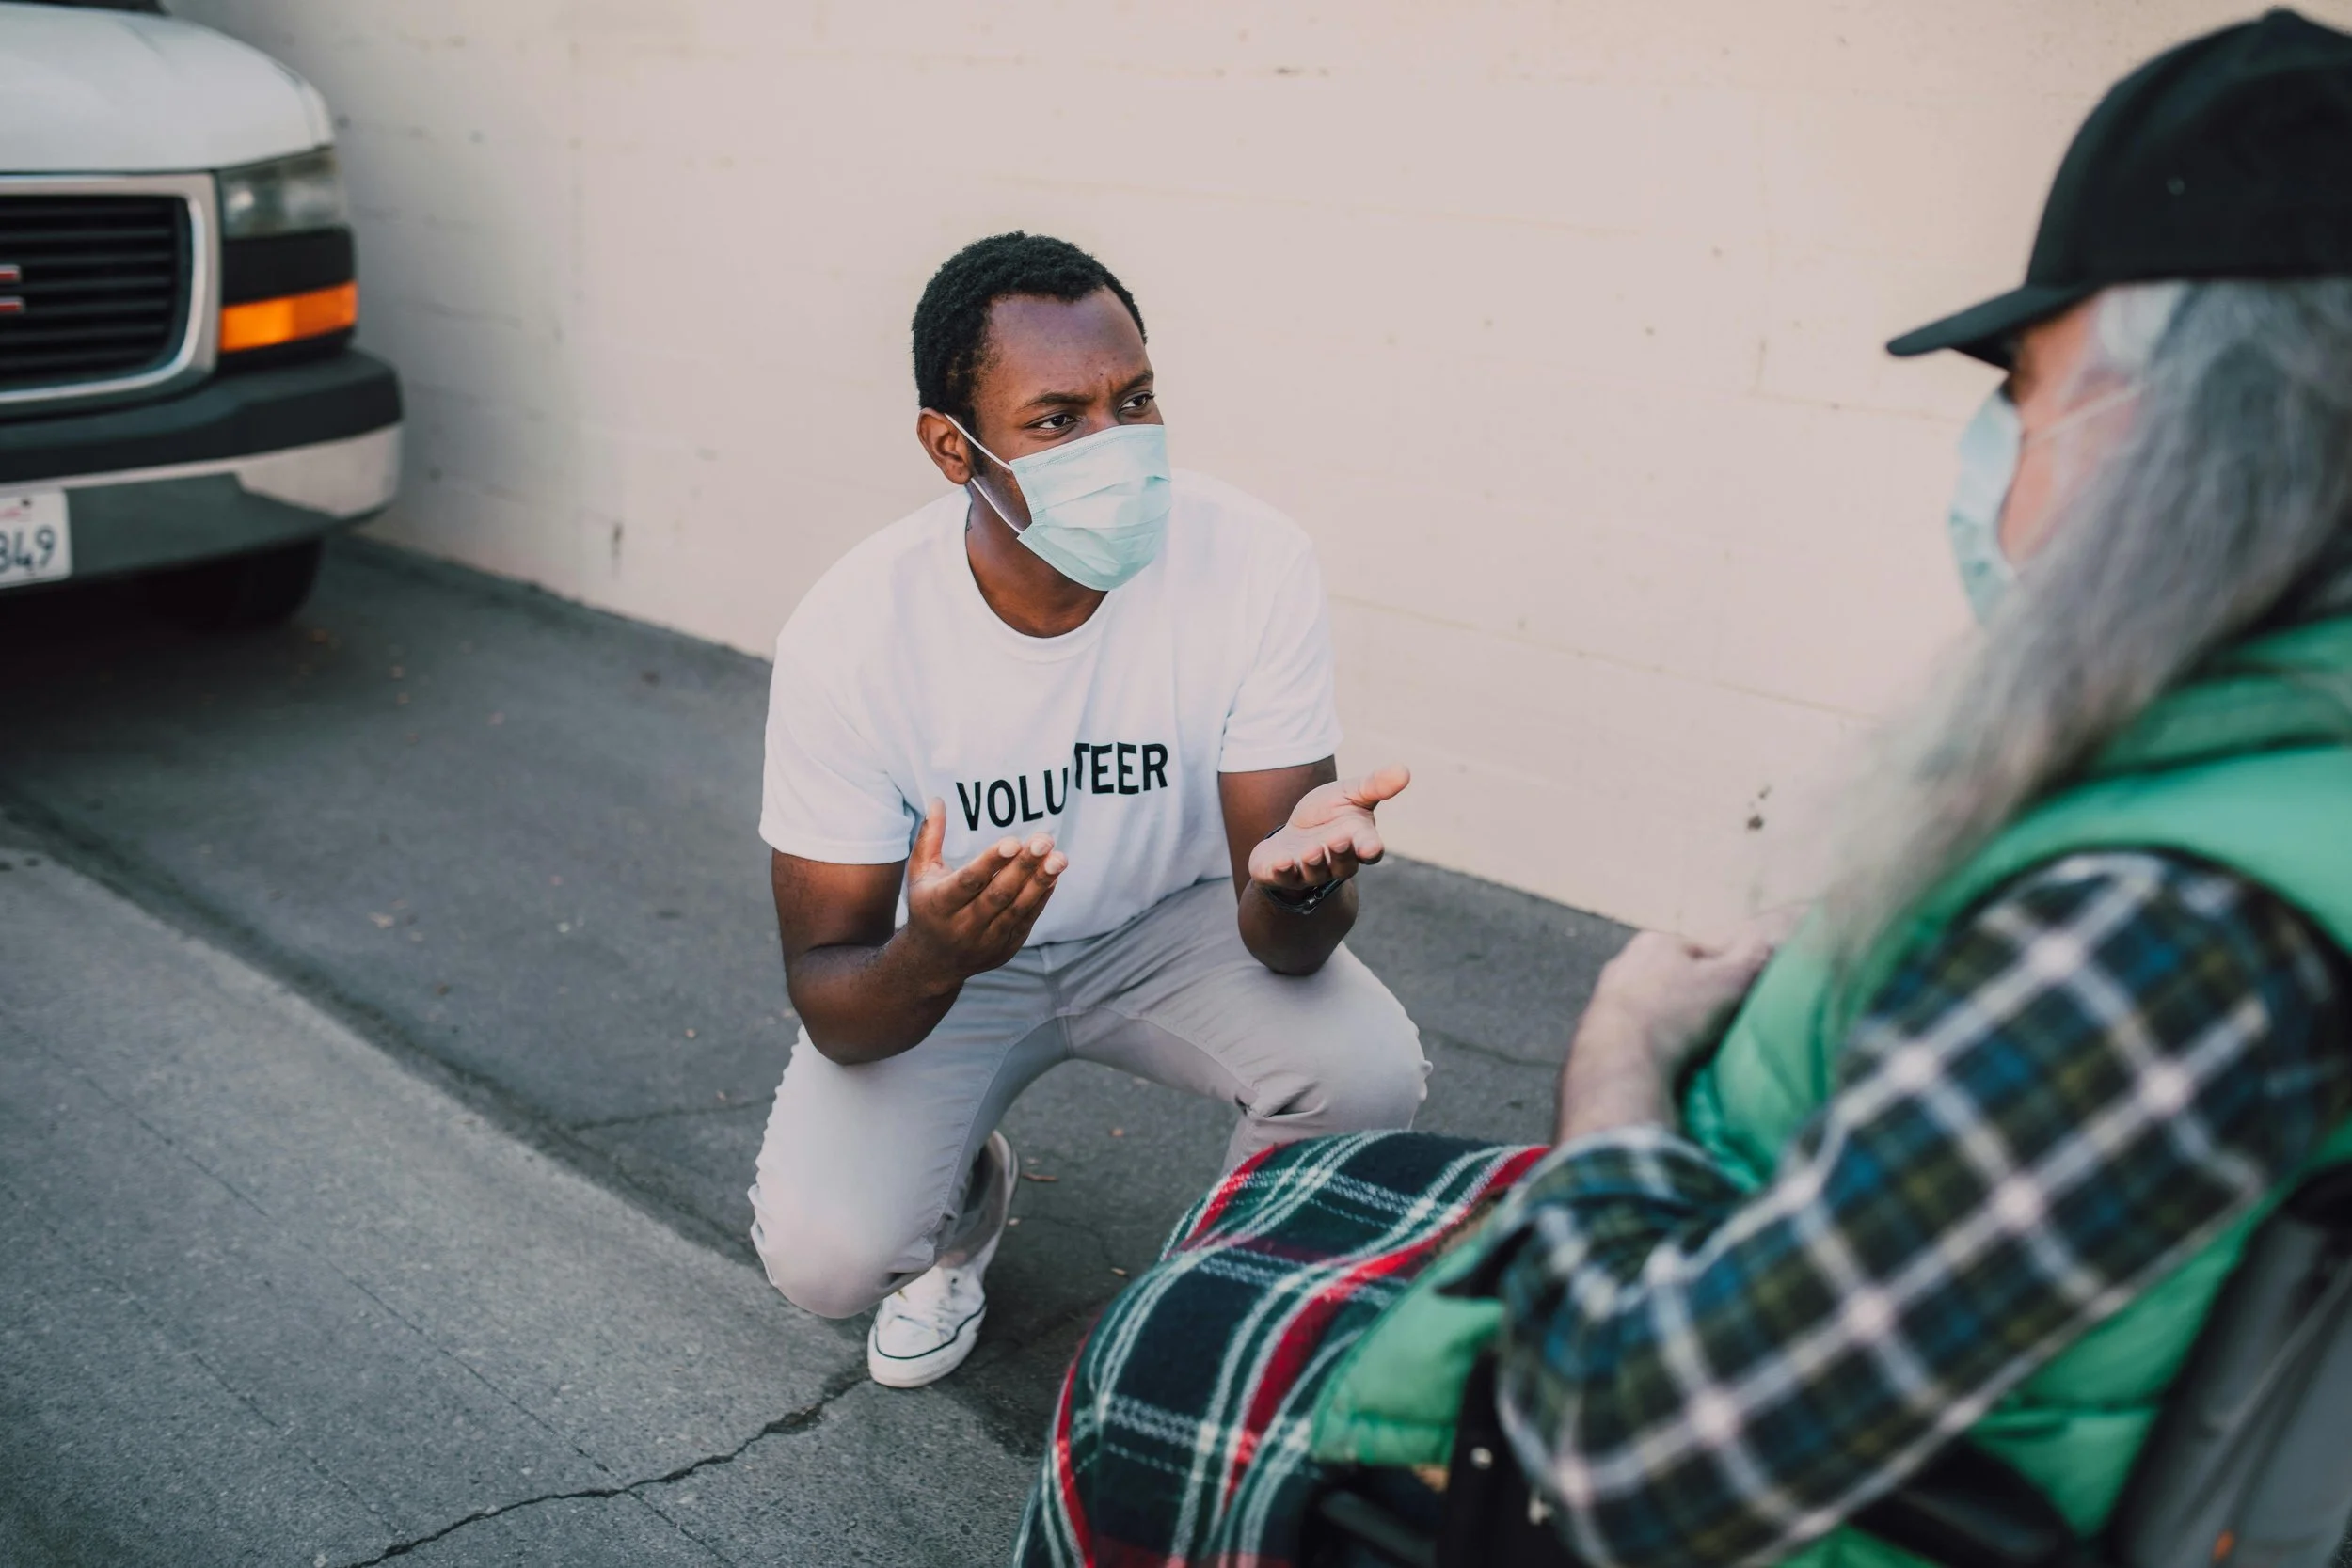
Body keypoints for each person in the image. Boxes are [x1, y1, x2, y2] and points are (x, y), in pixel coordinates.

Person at [1013, 13, 2352, 1566]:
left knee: (1140, 1365)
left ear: (2204, 434)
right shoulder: (2259, 778)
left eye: (2034, 390)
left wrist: (1623, 1054)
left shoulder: (2160, 938)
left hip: (1655, 1445)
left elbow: (1629, 1454)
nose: (1995, 452)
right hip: (1774, 1277)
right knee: (1292, 1187)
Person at [749, 232, 1429, 1390]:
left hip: (1175, 923)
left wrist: (1301, 881)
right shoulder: (852, 632)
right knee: (826, 1257)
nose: (1115, 445)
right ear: (950, 448)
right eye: (1057, 419)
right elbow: (834, 998)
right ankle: (955, 1208)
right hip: (961, 960)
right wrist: (933, 952)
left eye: (1137, 399)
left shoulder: (1253, 560)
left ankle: (1216, 1300)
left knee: (1366, 1073)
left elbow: (1287, 941)